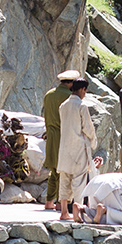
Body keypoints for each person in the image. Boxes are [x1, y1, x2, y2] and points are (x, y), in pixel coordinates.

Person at [57, 78, 104, 221]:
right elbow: (88, 128)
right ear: (83, 89)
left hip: (64, 148)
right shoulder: (81, 106)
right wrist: (93, 142)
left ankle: (64, 211)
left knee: (64, 178)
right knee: (79, 181)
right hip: (78, 148)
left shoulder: (63, 105)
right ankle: (76, 213)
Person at [42, 70, 79, 210]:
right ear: (71, 83)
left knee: (53, 168)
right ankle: (59, 203)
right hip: (63, 135)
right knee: (63, 170)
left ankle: (49, 201)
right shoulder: (70, 97)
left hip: (50, 134)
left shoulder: (49, 94)